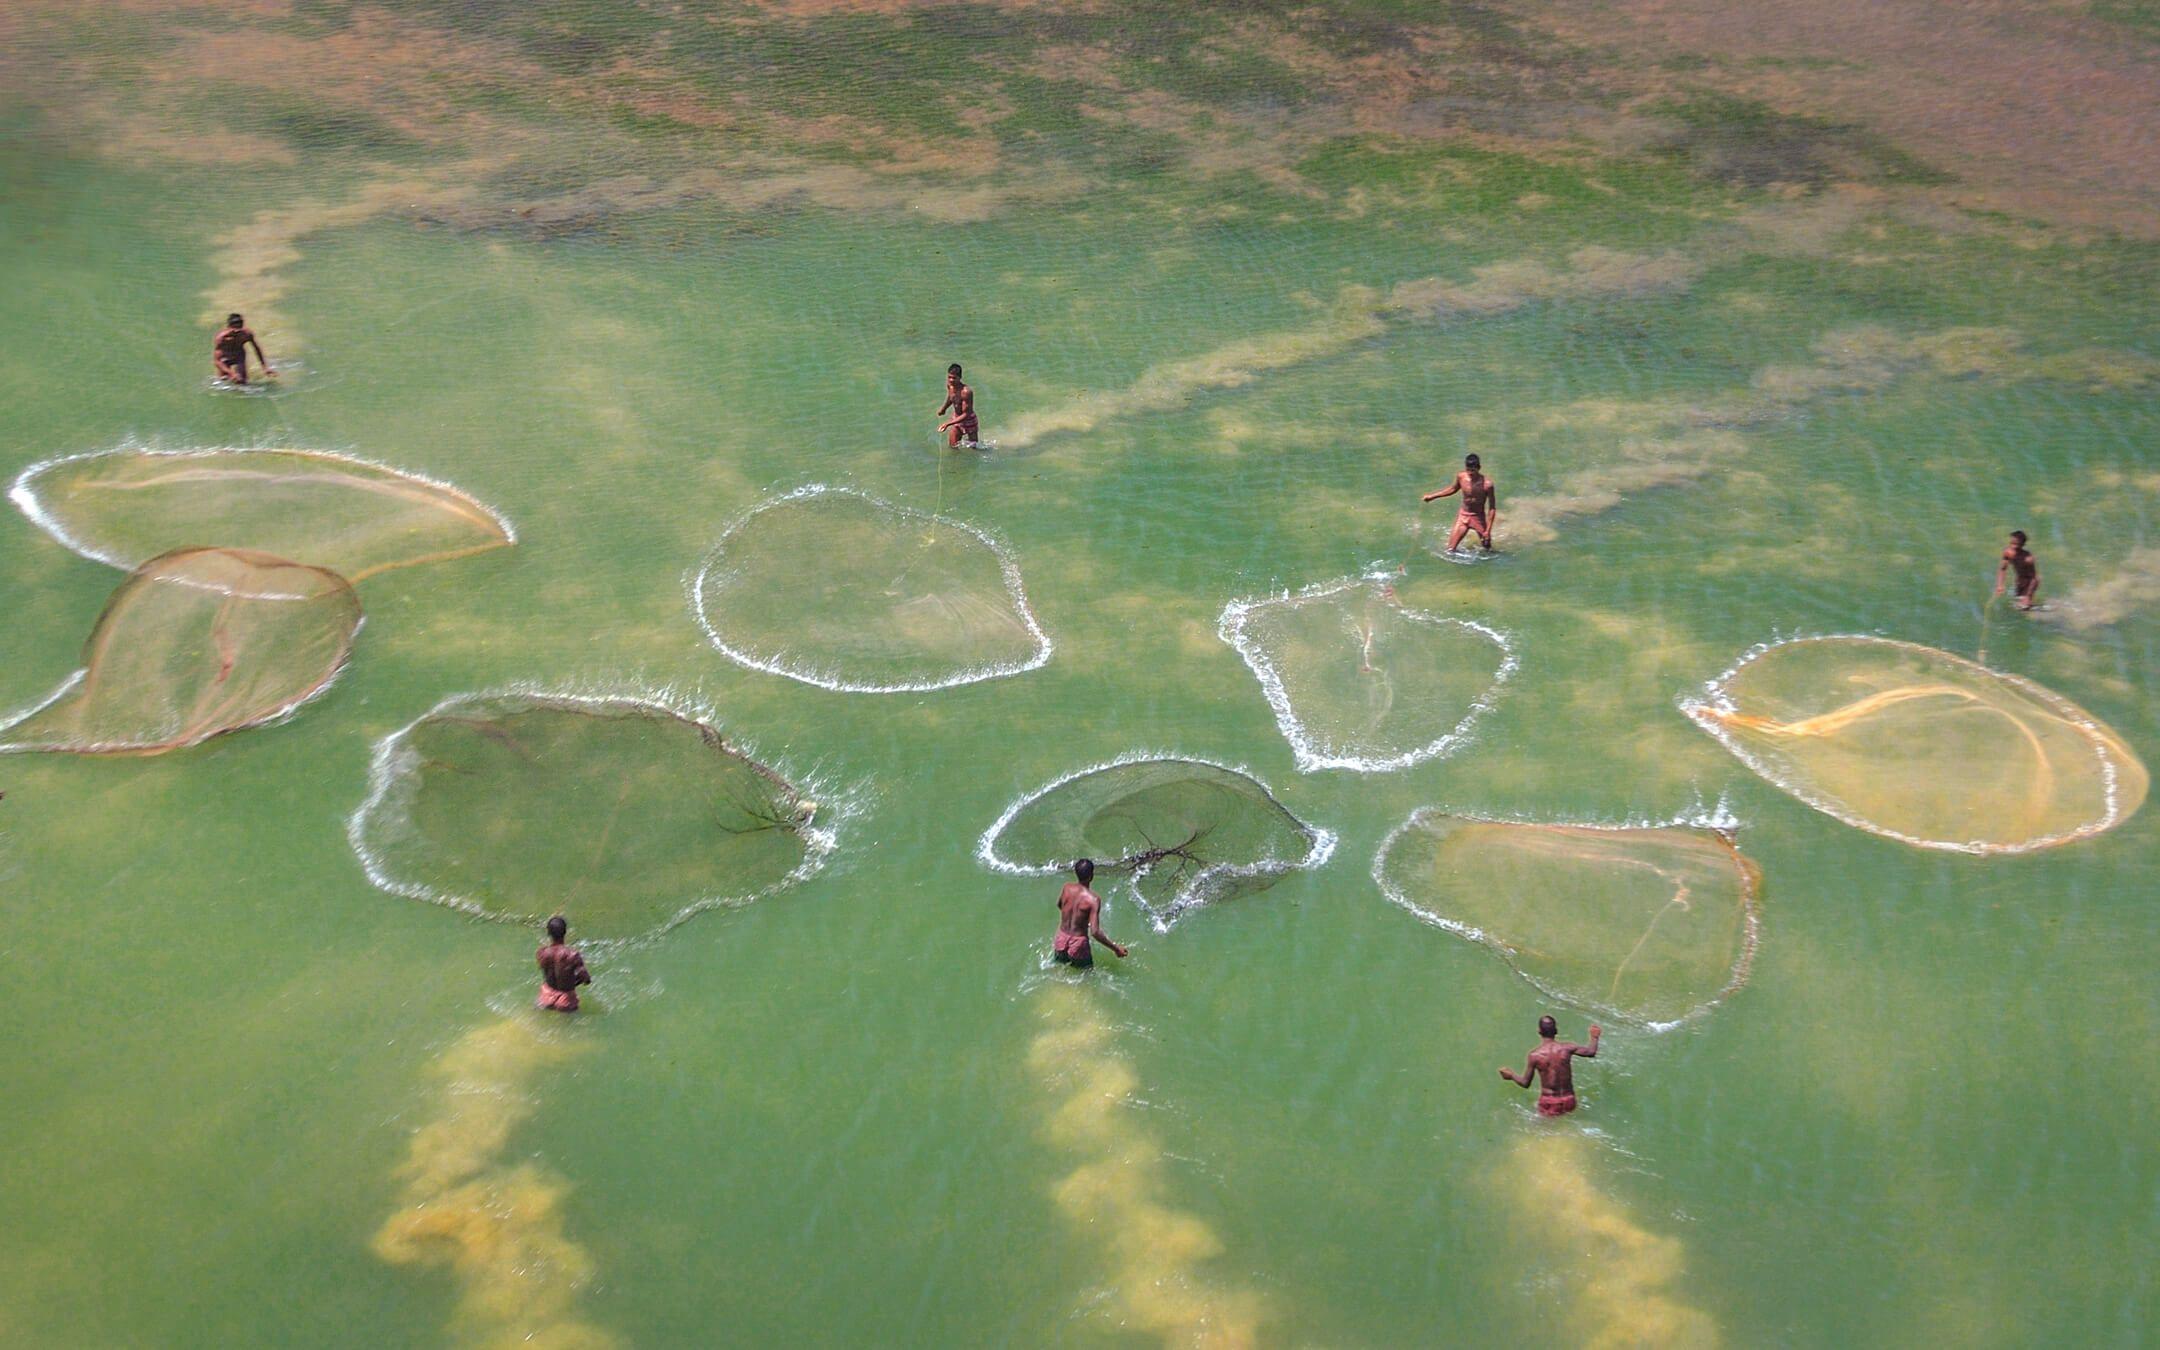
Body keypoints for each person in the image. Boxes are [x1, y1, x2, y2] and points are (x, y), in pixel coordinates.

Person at [1499, 1015, 1600, 1116]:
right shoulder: (1567, 1048)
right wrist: (1594, 1037)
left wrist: (1511, 1075)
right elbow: (1591, 1052)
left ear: (1539, 1031)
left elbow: (1525, 1083)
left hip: (1549, 1103)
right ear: (1556, 1031)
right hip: (1569, 1100)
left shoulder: (1535, 1055)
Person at [1053, 858, 1128, 969]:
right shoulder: (1093, 900)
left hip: (1061, 939)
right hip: (1078, 944)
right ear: (1091, 876)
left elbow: (1060, 906)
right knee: (1086, 977)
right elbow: (1095, 932)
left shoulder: (1066, 888)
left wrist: (1076, 919)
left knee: (1059, 971)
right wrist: (1116, 949)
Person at [1421, 453, 1497, 553]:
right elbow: (1453, 489)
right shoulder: (1461, 477)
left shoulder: (1487, 485)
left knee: (1488, 549)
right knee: (1450, 550)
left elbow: (1492, 508)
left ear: (1479, 468)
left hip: (1478, 517)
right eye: (1468, 470)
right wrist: (1432, 496)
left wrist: (1488, 530)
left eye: (1473, 470)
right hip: (1463, 516)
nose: (1470, 473)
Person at [535, 914, 591, 1013]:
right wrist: (573, 981)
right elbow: (586, 980)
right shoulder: (573, 955)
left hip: (546, 996)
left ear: (548, 933)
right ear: (565, 932)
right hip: (566, 1000)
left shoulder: (542, 952)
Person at [212, 313, 274, 386]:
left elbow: (256, 349)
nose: (237, 332)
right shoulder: (221, 338)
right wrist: (231, 373)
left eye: (239, 328)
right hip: (225, 357)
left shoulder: (246, 334)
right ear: (229, 326)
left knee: (242, 381)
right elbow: (217, 361)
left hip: (239, 355)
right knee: (223, 381)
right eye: (234, 329)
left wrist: (265, 367)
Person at [937, 362, 980, 448]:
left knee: (973, 448)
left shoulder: (966, 392)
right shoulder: (950, 386)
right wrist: (944, 409)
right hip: (956, 418)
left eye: (954, 378)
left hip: (969, 420)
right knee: (953, 446)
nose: (951, 380)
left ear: (960, 378)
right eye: (949, 377)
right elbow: (951, 397)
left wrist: (947, 424)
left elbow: (966, 414)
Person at [1995, 530, 2040, 610]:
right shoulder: (2008, 553)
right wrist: (2000, 585)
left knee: (2025, 606)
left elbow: (2035, 578)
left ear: (2023, 544)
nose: (2014, 546)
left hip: (2030, 582)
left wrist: (2028, 596)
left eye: (2017, 544)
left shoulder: (2028, 559)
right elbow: (2003, 569)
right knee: (2017, 602)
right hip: (2019, 581)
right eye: (2012, 543)